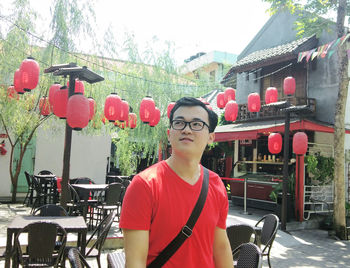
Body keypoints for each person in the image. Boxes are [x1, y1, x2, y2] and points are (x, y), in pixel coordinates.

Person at [119, 97, 233, 267]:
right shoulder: (144, 185)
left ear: (211, 137)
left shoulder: (216, 185)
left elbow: (221, 248)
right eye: (179, 123)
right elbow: (135, 262)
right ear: (169, 134)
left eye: (196, 124)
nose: (187, 130)